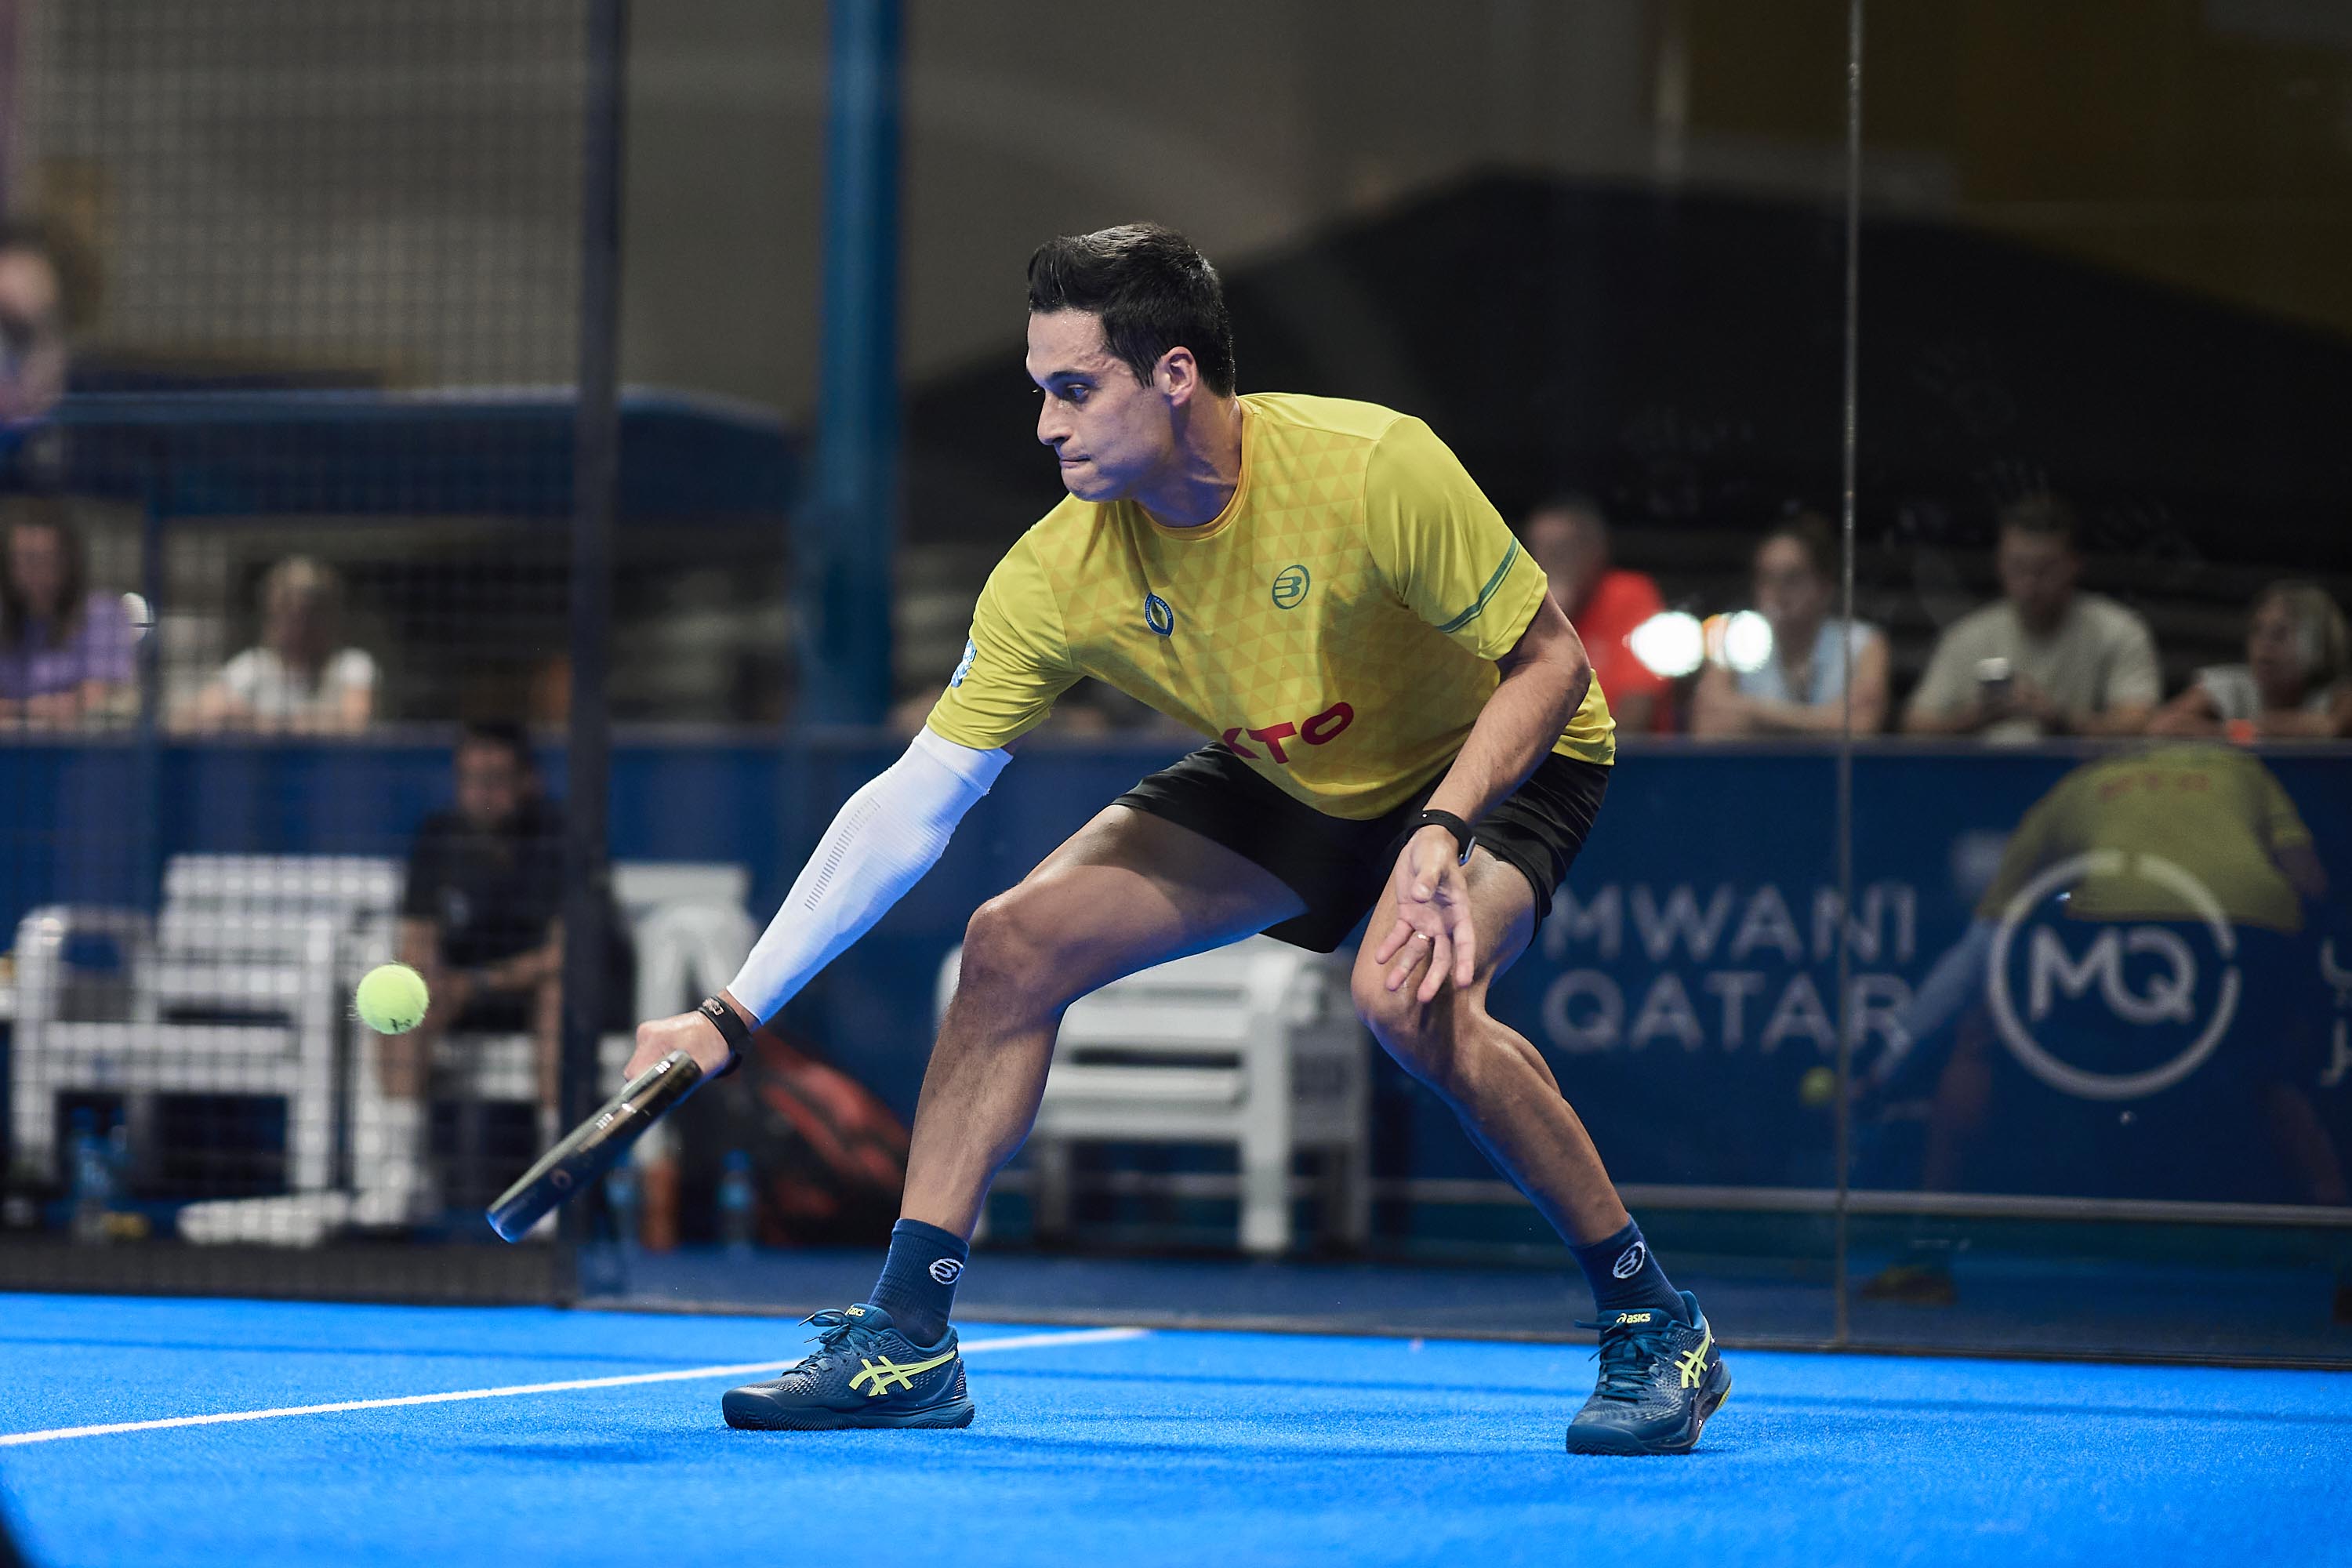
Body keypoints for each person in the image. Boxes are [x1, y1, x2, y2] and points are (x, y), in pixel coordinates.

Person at [625, 223, 1727, 1452]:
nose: (1047, 426)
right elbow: (915, 799)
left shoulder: (1371, 469)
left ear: (1176, 374)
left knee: (1405, 1002)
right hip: (1292, 772)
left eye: (1074, 389)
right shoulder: (1055, 573)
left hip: (1496, 753)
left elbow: (1553, 664)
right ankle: (907, 1338)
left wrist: (1440, 828)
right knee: (1011, 945)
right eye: (1039, 392)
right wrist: (731, 1016)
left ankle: (1655, 1321)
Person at [378, 723, 632, 1211]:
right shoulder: (439, 836)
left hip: (554, 1001)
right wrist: (430, 978)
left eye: (494, 780)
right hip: (466, 999)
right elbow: (416, 938)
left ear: (528, 781)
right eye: (470, 780)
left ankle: (555, 1178)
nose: (481, 794)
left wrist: (476, 983)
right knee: (401, 995)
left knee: (558, 993)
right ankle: (399, 1174)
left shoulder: (565, 839)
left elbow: (567, 953)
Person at [1902, 495, 2159, 741]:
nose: (2030, 583)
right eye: (2018, 566)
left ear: (2074, 564)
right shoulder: (1967, 635)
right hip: (1985, 769)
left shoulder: (2118, 631)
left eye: (2045, 569)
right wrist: (1976, 717)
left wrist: (2058, 718)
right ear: (1999, 563)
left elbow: (2140, 723)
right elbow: (1915, 728)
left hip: (2086, 770)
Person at [1691, 511, 1888, 736]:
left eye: (1793, 578)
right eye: (1767, 578)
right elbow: (1708, 727)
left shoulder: (1863, 643)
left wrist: (1752, 711)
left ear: (1825, 586)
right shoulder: (1729, 636)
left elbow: (1860, 726)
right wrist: (1822, 720)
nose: (1778, 592)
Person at [1519, 495, 1671, 734]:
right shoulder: (1520, 604)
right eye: (1537, 550)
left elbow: (1637, 711)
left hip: (1622, 752)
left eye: (1560, 551)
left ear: (1596, 550)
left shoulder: (1630, 594)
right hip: (1543, 750)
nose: (1546, 563)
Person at [180, 556, 376, 733]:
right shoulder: (253, 666)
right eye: (289, 615)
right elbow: (187, 718)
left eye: (310, 616)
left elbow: (354, 723)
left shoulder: (352, 665)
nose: (301, 627)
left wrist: (253, 720)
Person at [2149, 581, 2351, 742]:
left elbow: (2330, 727)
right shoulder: (2230, 684)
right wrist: (2241, 732)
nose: (2264, 645)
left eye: (2279, 634)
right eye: (2257, 630)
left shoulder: (2336, 695)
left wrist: (2242, 730)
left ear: (2318, 646)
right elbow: (2161, 725)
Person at [0, 498, 136, 728]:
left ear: (69, 561)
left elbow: (97, 700)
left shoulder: (101, 613)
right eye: (25, 560)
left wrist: (16, 709)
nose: (36, 572)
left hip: (80, 745)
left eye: (46, 559)